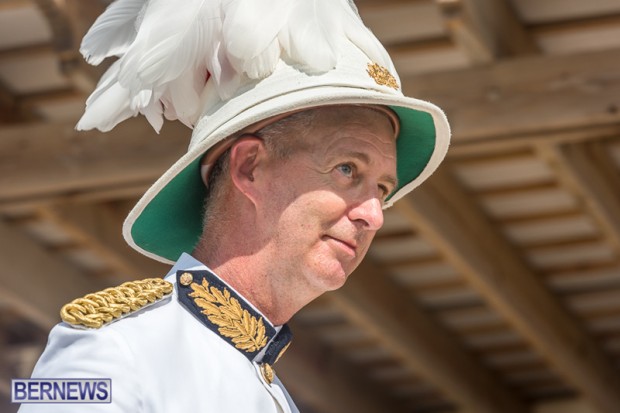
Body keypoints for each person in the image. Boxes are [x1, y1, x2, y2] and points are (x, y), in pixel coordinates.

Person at [18, 0, 450, 412]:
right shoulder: (112, 348)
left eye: (382, 189)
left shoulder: (274, 393)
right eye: (346, 169)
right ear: (249, 167)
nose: (373, 215)